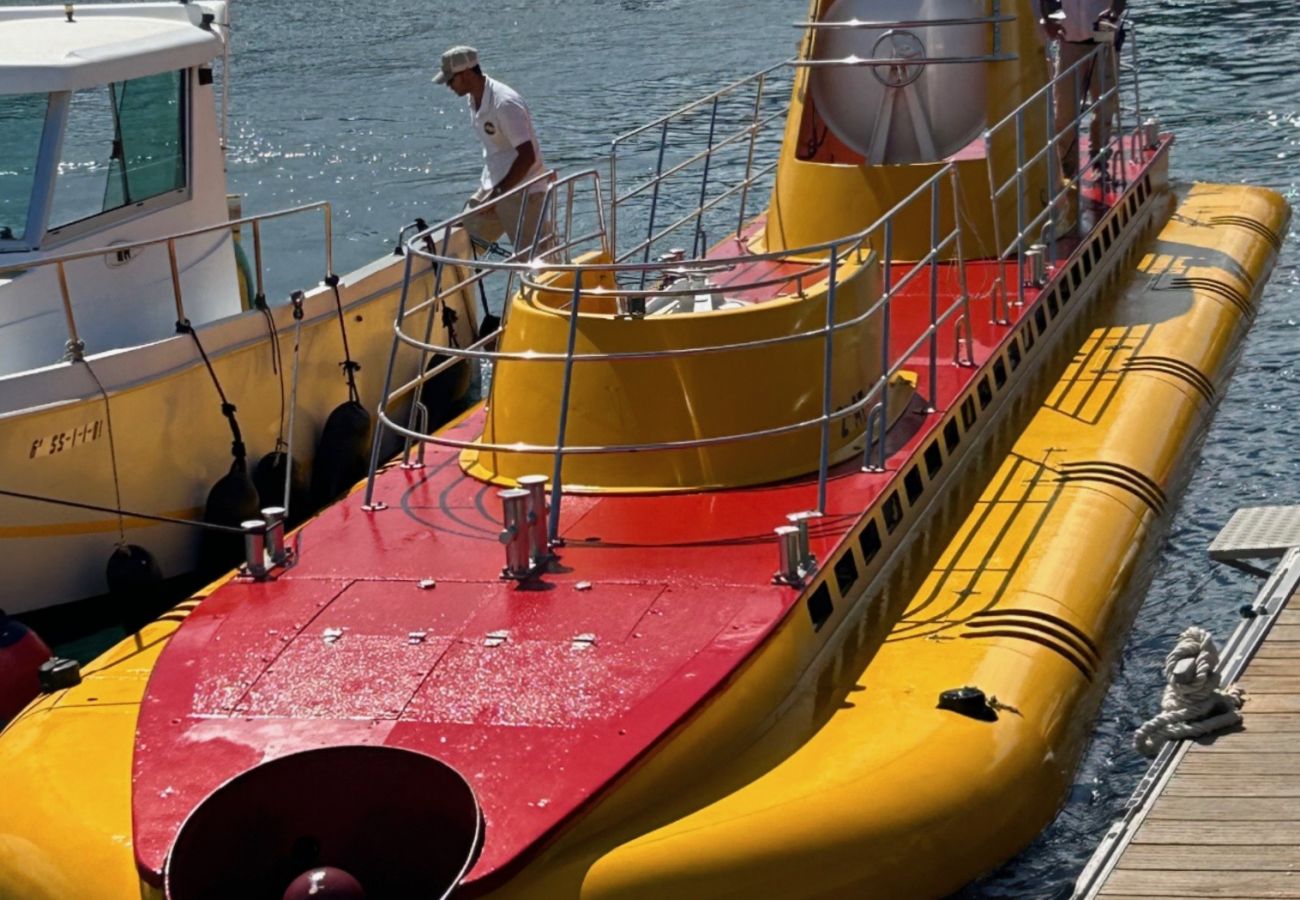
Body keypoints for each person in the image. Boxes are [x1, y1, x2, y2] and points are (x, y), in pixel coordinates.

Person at [433, 45, 552, 254]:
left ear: (467, 73)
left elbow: (527, 156)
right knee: (462, 236)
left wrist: (496, 195)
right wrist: (492, 195)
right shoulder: (474, 99)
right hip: (495, 187)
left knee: (537, 260)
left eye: (451, 80)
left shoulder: (504, 104)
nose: (449, 85)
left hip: (523, 191)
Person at [1042, 0, 1126, 183]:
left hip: (1103, 37)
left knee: (1104, 105)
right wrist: (1048, 19)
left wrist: (1113, 13)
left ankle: (1100, 162)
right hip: (1069, 39)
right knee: (1064, 107)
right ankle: (1066, 165)